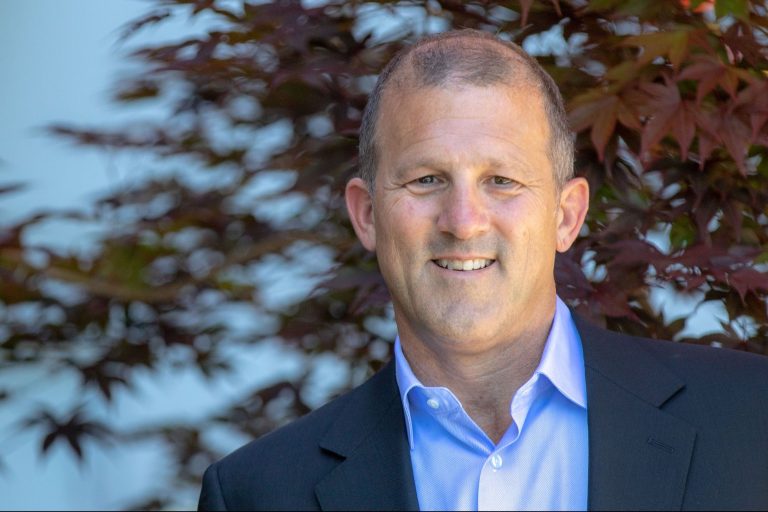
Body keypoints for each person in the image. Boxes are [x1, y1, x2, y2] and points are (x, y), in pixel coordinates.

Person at [198, 30, 768, 511]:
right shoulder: (257, 495)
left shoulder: (753, 420)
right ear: (367, 215)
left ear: (566, 215)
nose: (464, 222)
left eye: (502, 180)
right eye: (426, 180)